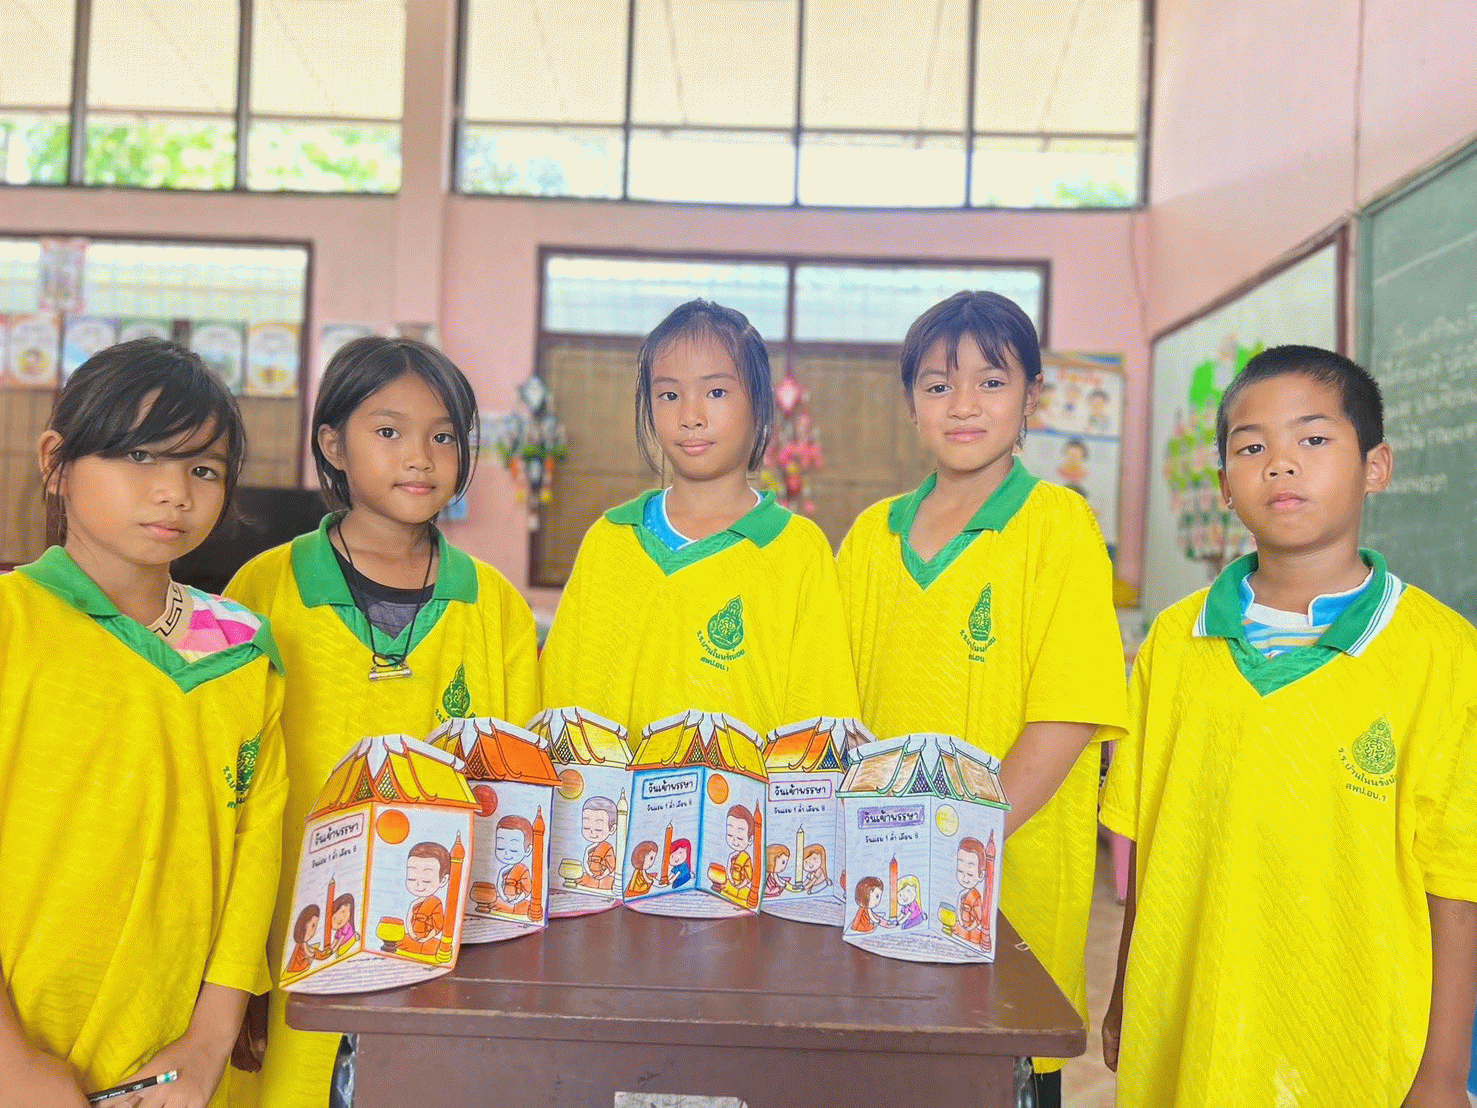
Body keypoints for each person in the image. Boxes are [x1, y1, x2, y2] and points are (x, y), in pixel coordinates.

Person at [1101, 345, 1477, 1107]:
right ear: (1223, 487)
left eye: (1312, 439)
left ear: (1375, 466)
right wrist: (1123, 996)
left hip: (1356, 1041)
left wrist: (1441, 1073)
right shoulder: (1175, 643)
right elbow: (1147, 842)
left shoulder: (1440, 653)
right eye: (1250, 448)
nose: (1279, 463)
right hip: (1191, 1021)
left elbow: (1456, 881)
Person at [223, 337, 540, 1108]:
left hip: (448, 953)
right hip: (290, 952)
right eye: (389, 431)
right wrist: (235, 977)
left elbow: (522, 806)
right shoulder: (263, 592)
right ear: (333, 444)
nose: (420, 457)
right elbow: (225, 800)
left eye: (443, 436)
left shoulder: (495, 608)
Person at [838, 291, 1126, 1108]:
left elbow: (1066, 713)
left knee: (994, 1068)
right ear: (910, 403)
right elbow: (832, 716)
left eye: (990, 382)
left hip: (1004, 887)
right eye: (937, 385)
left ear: (1032, 395)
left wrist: (951, 849)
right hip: (873, 878)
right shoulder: (869, 537)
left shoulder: (1059, 527)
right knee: (876, 1067)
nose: (962, 404)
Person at [0, 338, 287, 1108]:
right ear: (56, 463)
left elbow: (255, 856)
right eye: (139, 456)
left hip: (167, 1072)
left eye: (204, 469)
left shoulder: (243, 650)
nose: (174, 492)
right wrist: (12, 1067)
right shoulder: (12, 624)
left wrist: (208, 1041)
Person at [540, 299, 859, 738]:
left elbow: (818, 727)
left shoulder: (798, 551)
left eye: (716, 393)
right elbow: (562, 710)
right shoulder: (610, 541)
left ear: (759, 403)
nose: (691, 417)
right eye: (669, 395)